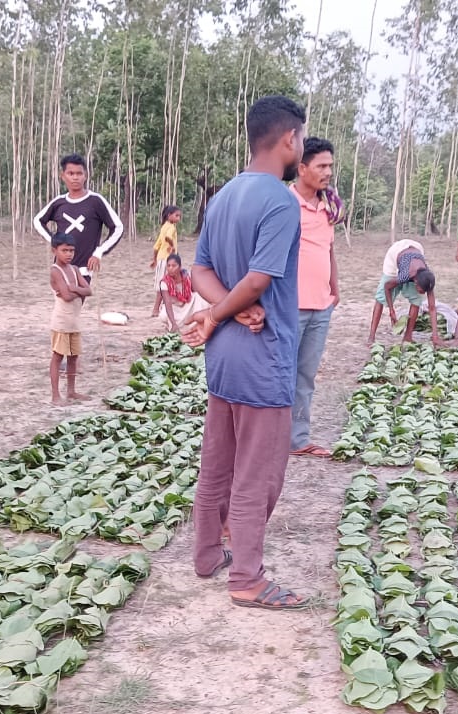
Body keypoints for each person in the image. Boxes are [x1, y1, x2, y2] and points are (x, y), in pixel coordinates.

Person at [182, 94, 309, 611]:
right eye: (302, 138)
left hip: (226, 357)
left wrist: (222, 312)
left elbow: (201, 271)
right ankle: (248, 579)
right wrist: (226, 311)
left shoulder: (226, 195)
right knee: (259, 473)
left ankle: (208, 554)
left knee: (218, 464)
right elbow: (257, 280)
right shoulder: (280, 201)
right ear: (288, 139)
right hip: (265, 355)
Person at [290, 136, 341, 459]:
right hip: (289, 306)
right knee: (280, 374)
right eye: (321, 166)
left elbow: (329, 249)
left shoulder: (329, 207)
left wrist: (335, 287)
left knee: (306, 375)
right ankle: (267, 440)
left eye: (330, 166)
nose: (327, 173)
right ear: (302, 168)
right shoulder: (285, 204)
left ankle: (298, 439)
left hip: (321, 305)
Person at [33, 153, 124, 283]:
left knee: (72, 302)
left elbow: (118, 228)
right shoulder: (59, 202)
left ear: (85, 176)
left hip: (84, 269)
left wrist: (99, 252)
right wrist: (54, 240)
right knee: (63, 302)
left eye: (79, 174)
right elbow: (38, 221)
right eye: (70, 174)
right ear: (63, 176)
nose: (75, 178)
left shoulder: (95, 201)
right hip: (60, 269)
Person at [368, 239, 442, 346]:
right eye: (421, 290)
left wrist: (435, 336)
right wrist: (391, 310)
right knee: (380, 298)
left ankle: (408, 336)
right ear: (415, 282)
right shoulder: (406, 275)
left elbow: (432, 307)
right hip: (395, 254)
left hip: (415, 249)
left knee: (417, 300)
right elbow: (387, 287)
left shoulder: (427, 279)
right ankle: (371, 336)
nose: (422, 293)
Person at [49, 232, 92, 405]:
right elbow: (66, 296)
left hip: (74, 321)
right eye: (64, 250)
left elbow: (88, 290)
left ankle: (71, 390)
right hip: (61, 322)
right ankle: (55, 395)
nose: (69, 254)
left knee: (74, 357)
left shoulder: (74, 270)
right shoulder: (55, 271)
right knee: (58, 357)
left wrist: (73, 288)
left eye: (71, 251)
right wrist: (76, 291)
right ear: (55, 250)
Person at [159, 253, 207, 332]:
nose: (170, 268)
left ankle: (199, 321)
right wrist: (173, 324)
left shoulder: (187, 276)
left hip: (187, 304)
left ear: (180, 267)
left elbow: (194, 291)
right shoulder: (164, 282)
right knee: (163, 316)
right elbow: (167, 303)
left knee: (199, 297)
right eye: (168, 266)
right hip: (175, 308)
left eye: (174, 266)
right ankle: (175, 325)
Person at [150, 205, 181, 317]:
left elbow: (156, 246)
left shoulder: (164, 227)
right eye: (176, 216)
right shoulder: (171, 228)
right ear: (169, 216)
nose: (178, 218)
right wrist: (172, 246)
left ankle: (163, 307)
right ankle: (156, 309)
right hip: (168, 260)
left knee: (164, 283)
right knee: (163, 284)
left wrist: (154, 259)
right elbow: (168, 238)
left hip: (161, 259)